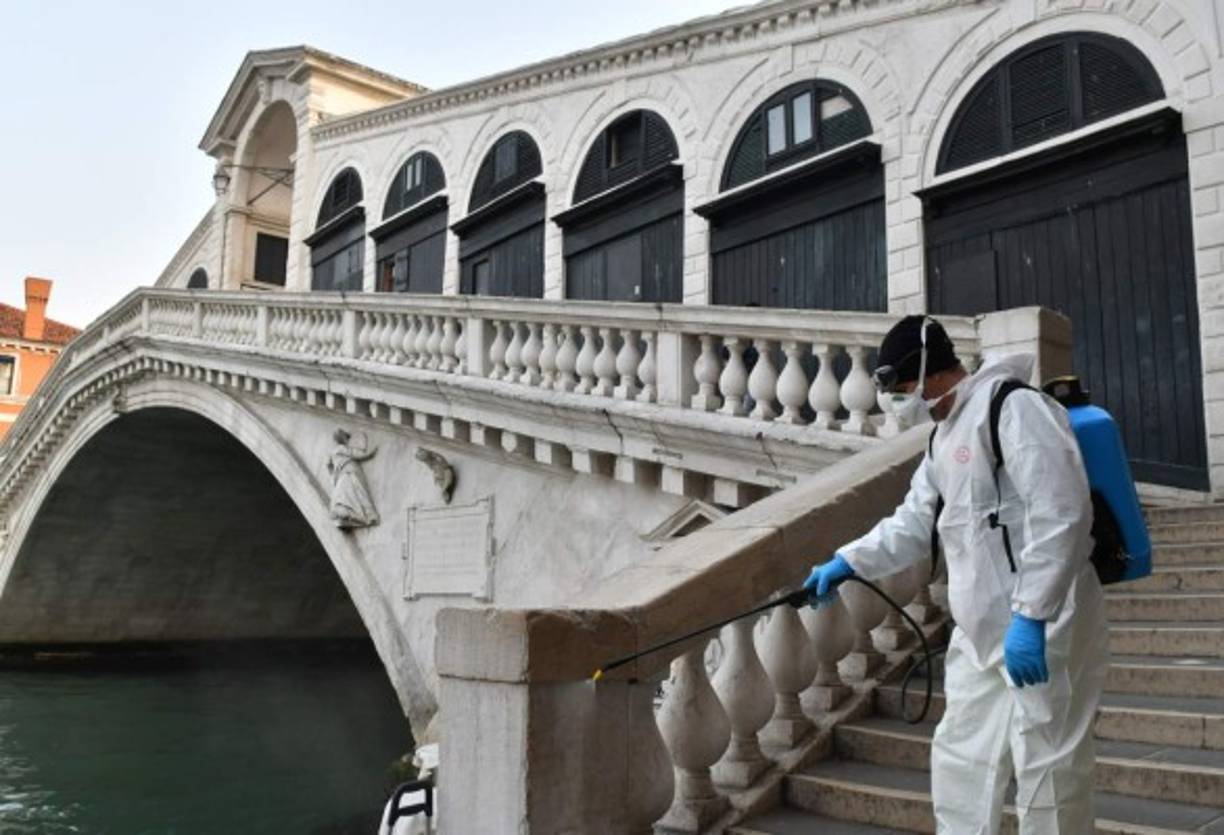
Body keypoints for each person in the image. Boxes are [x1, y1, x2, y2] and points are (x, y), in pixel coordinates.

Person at [803, 315, 1108, 834]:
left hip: (1048, 623)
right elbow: (914, 523)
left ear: (929, 372)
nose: (900, 401)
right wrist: (848, 561)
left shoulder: (1014, 407)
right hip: (979, 634)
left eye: (901, 388)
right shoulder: (942, 439)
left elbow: (1064, 514)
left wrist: (1032, 616)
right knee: (960, 764)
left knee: (1049, 770)